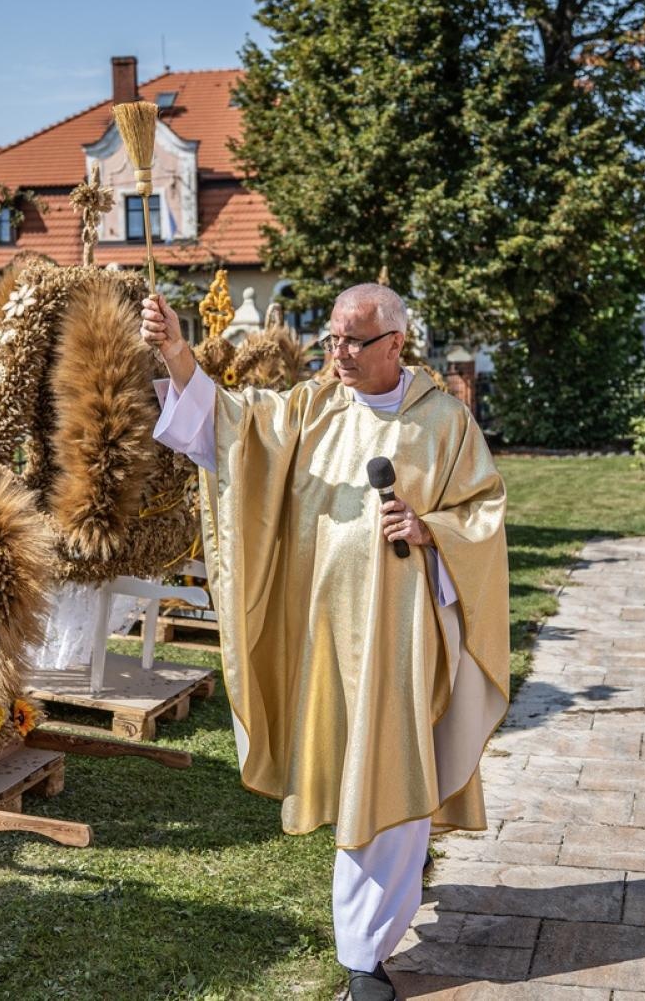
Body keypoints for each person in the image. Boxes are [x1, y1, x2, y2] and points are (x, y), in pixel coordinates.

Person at [141, 283, 509, 1000]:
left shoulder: (443, 423)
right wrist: (178, 352)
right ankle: (369, 934)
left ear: (395, 344)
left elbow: (485, 514)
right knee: (350, 767)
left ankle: (363, 955)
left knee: (390, 767)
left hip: (403, 637)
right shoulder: (312, 406)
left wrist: (434, 530)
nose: (336, 353)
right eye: (332, 340)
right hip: (322, 632)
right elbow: (232, 427)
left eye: (353, 341)